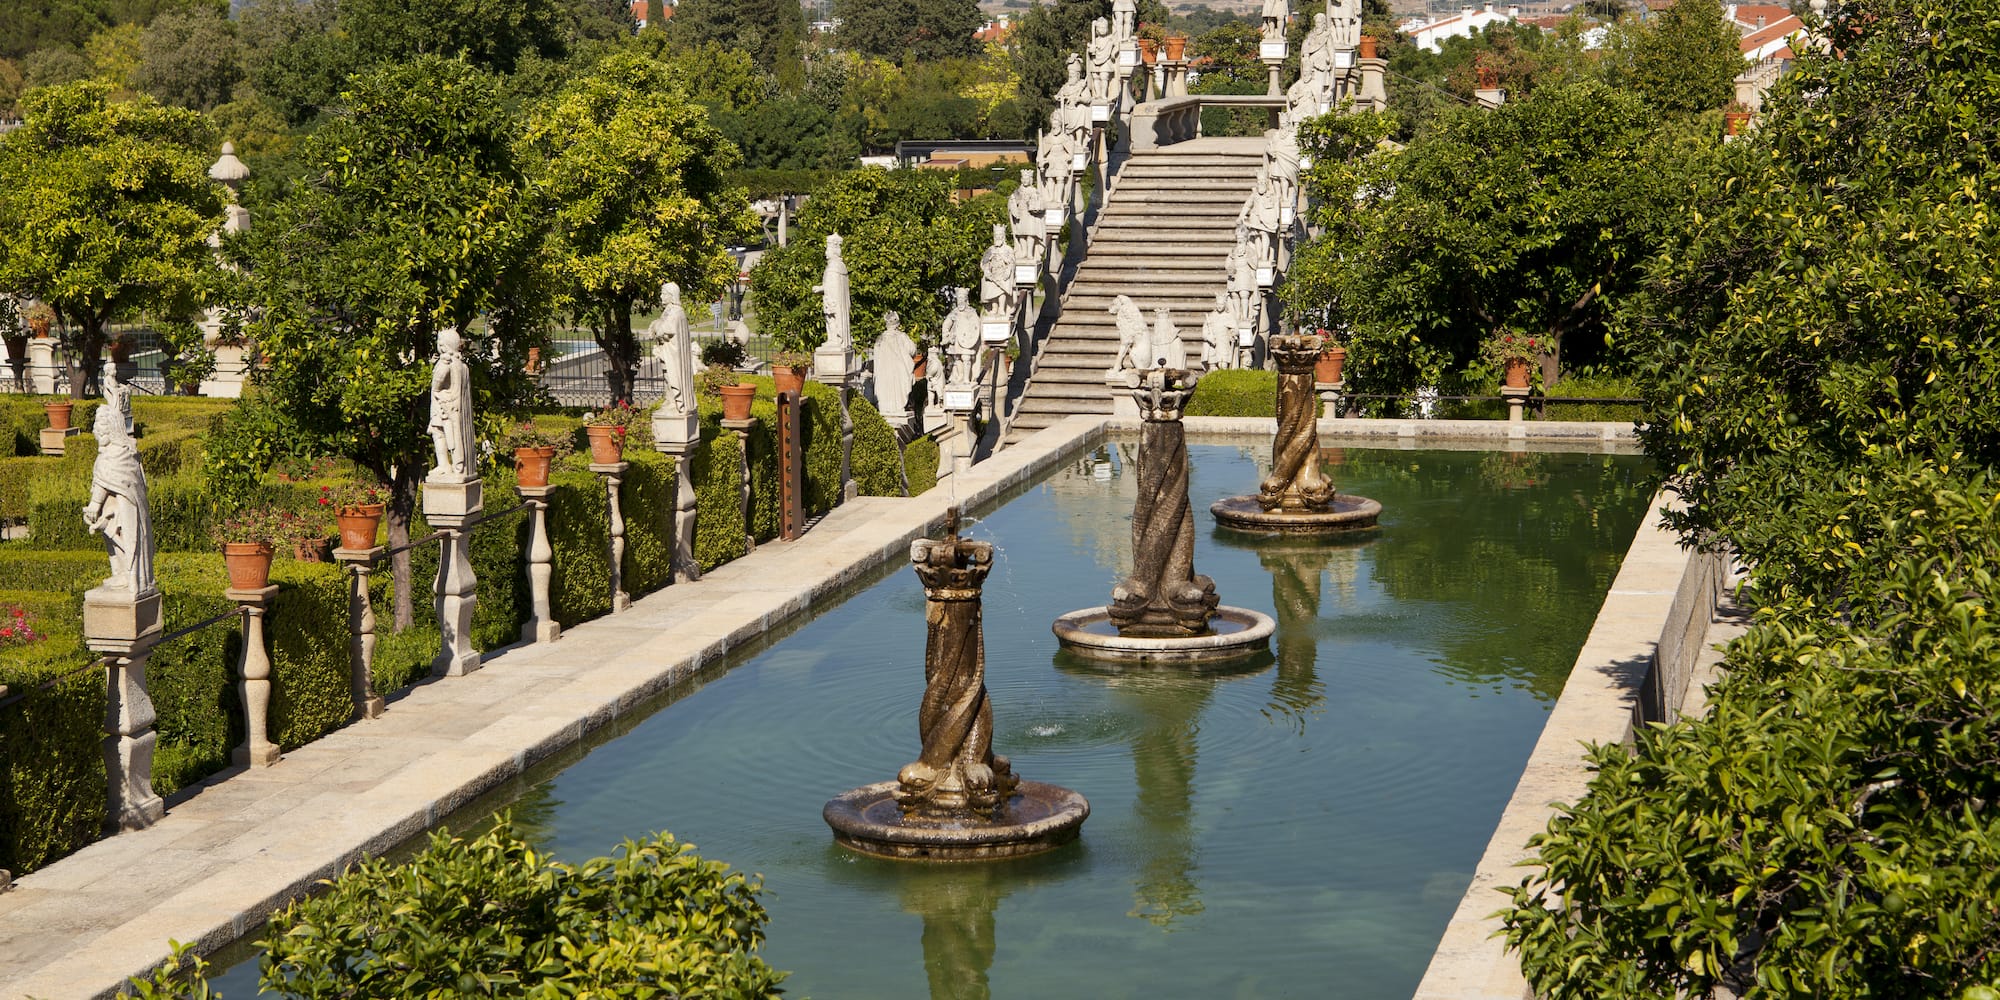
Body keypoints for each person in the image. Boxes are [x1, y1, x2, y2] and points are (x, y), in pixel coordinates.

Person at [84, 386, 156, 594]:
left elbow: (104, 481)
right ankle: (123, 574)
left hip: (124, 512)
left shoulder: (115, 455)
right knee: (116, 540)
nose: (96, 432)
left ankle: (129, 575)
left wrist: (94, 506)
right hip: (115, 511)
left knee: (126, 541)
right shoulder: (126, 452)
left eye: (100, 429)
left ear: (112, 430)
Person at [427, 327, 475, 481]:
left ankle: (444, 465)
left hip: (443, 405)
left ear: (443, 345)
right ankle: (453, 465)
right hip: (452, 406)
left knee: (439, 433)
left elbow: (437, 383)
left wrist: (437, 367)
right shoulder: (461, 365)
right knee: (448, 434)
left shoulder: (446, 362)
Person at [649, 282, 693, 416]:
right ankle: (670, 400)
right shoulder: (669, 311)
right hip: (668, 352)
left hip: (674, 354)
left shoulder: (676, 312)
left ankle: (676, 402)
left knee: (674, 377)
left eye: (664, 294)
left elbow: (664, 330)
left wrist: (656, 326)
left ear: (671, 296)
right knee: (668, 376)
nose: (661, 296)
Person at [815, 234, 851, 353]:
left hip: (833, 301)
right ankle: (832, 339)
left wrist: (821, 288)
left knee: (833, 319)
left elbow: (833, 286)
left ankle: (836, 340)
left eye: (828, 250)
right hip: (829, 299)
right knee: (829, 320)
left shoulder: (835, 267)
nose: (826, 253)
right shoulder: (834, 266)